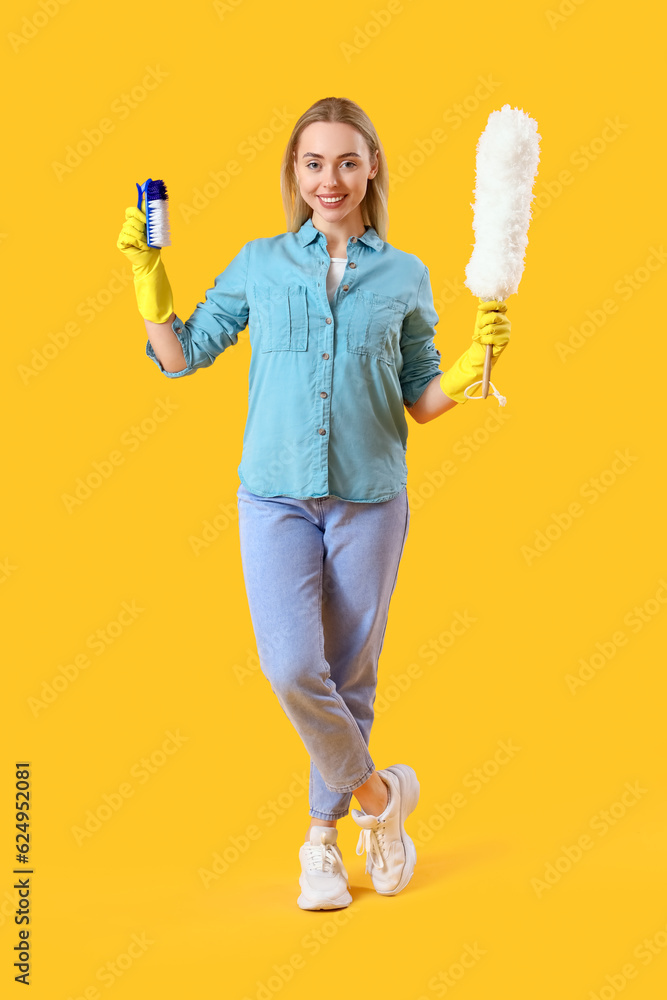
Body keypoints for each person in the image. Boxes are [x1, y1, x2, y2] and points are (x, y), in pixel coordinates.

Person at [116, 96, 510, 911]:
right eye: (312, 162)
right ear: (295, 174)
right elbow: (183, 355)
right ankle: (378, 798)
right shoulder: (261, 264)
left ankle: (322, 843)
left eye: (345, 161)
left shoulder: (405, 275)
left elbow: (421, 399)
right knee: (294, 667)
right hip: (275, 500)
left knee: (350, 675)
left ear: (370, 170)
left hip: (371, 499)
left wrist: (471, 368)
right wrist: (148, 281)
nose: (329, 179)